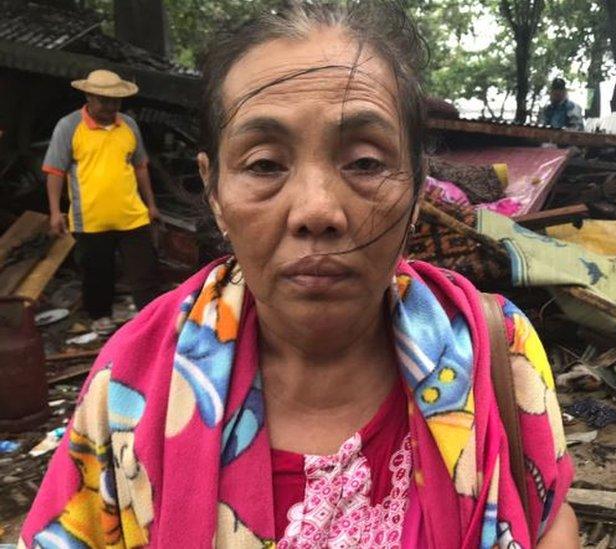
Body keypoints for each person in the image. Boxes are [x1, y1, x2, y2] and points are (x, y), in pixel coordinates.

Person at [21, 3, 577, 548]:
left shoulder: (496, 350)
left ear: (416, 187)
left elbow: (550, 520)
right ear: (214, 190)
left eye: (364, 162)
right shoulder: (133, 384)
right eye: (264, 164)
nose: (317, 210)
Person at [42, 69, 162, 333]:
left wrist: (151, 204)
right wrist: (54, 212)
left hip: (132, 214)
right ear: (88, 96)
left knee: (145, 271)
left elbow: (141, 166)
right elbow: (54, 171)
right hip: (90, 219)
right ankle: (100, 316)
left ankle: (151, 319)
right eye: (104, 100)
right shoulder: (69, 126)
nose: (110, 106)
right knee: (97, 272)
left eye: (115, 101)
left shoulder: (129, 125)